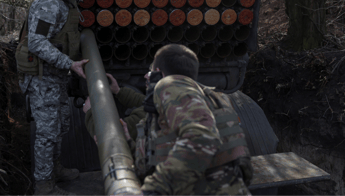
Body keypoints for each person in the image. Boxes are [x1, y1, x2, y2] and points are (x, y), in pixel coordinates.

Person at [126, 44, 253, 196]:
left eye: (150, 71)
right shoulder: (206, 100)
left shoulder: (170, 85)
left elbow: (202, 137)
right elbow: (156, 158)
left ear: (159, 72)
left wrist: (155, 189)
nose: (146, 77)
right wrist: (129, 142)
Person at [17, 0, 91, 196]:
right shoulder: (51, 1)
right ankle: (44, 186)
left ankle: (54, 170)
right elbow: (37, 42)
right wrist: (69, 64)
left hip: (55, 76)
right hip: (41, 78)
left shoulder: (67, 0)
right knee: (47, 133)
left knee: (60, 125)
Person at [82, 73, 146, 141]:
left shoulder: (147, 115)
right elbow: (144, 101)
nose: (146, 75)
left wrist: (90, 112)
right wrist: (118, 91)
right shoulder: (156, 101)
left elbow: (107, 134)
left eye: (152, 72)